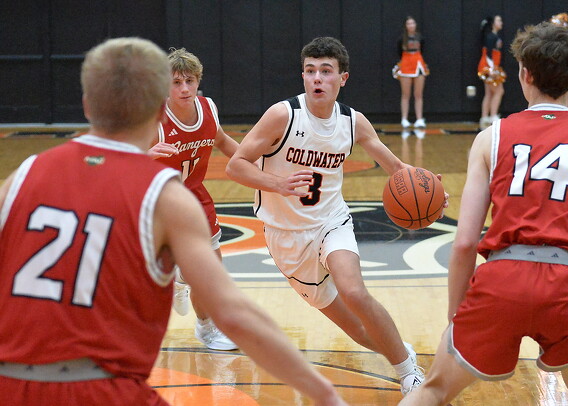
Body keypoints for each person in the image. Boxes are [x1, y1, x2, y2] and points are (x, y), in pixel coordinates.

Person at [0, 37, 349, 406]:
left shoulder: (22, 176)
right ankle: (177, 274)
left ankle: (179, 278)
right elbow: (233, 312)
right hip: (103, 385)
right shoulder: (160, 194)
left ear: (87, 105)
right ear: (158, 107)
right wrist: (323, 392)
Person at [227, 36, 440, 396]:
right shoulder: (282, 116)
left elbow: (396, 167)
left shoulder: (353, 122)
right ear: (303, 75)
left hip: (331, 222)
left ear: (343, 78)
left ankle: (410, 374)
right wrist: (278, 184)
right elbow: (236, 165)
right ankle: (400, 350)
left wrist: (431, 187)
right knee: (358, 331)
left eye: (326, 71)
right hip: (286, 235)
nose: (317, 79)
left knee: (355, 292)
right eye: (310, 71)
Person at [400, 22, 568, 406]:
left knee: (435, 389)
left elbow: (464, 243)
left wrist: (456, 315)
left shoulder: (490, 138)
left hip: (503, 279)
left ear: (524, 74)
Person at [148, 48, 238, 351]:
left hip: (195, 196)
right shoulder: (153, 117)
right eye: (176, 82)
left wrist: (257, 163)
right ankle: (178, 276)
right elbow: (120, 161)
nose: (184, 89)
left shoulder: (208, 107)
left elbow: (222, 141)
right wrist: (146, 154)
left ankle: (207, 327)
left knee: (211, 268)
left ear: (198, 81)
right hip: (160, 202)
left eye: (190, 81)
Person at [393, 16, 429, 129]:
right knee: (405, 95)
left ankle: (419, 119)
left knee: (418, 94)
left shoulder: (420, 37)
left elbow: (423, 50)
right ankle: (404, 119)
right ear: (406, 26)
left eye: (413, 23)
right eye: (409, 23)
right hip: (406, 65)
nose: (411, 25)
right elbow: (399, 52)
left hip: (419, 64)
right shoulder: (401, 39)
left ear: (415, 25)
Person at [478, 15, 506, 130]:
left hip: (488, 67)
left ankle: (484, 118)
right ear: (493, 23)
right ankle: (493, 117)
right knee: (499, 91)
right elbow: (488, 54)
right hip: (488, 67)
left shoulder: (493, 36)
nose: (501, 22)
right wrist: (492, 70)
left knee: (489, 93)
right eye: (499, 20)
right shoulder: (491, 37)